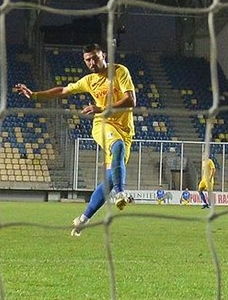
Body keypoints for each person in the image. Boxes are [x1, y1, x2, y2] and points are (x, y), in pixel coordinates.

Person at [13, 43, 136, 237]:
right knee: (117, 146)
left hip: (126, 130)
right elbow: (63, 91)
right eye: (87, 60)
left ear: (103, 55)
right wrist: (35, 94)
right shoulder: (88, 80)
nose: (91, 62)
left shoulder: (119, 71)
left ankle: (82, 219)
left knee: (110, 179)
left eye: (94, 58)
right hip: (102, 124)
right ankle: (121, 194)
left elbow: (131, 100)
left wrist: (102, 107)